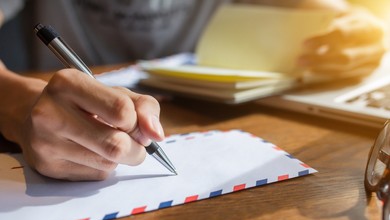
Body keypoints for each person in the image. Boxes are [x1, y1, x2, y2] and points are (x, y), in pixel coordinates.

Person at [0, 0, 386, 181]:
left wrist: (359, 24)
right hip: (62, 106)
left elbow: (342, 13)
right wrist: (15, 99)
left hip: (212, 98)